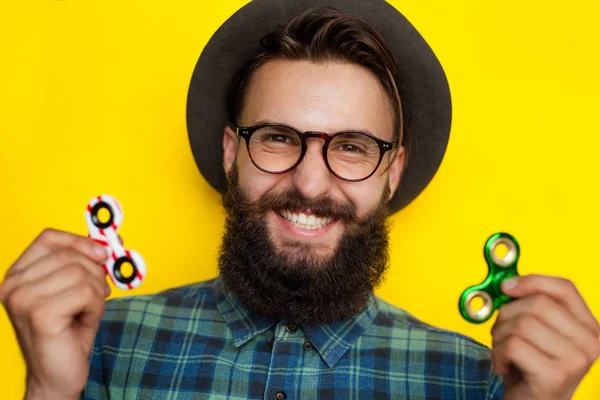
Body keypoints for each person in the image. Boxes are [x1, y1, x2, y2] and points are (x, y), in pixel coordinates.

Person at [1, 1, 599, 399]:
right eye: (280, 138)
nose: (311, 186)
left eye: (352, 147)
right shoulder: (98, 344)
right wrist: (49, 390)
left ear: (392, 172)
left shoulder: (485, 381)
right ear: (232, 152)